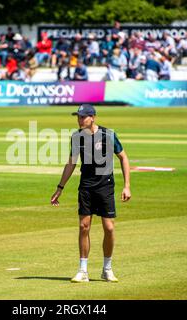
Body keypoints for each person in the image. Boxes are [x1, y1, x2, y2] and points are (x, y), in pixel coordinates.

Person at [50, 104, 131, 283]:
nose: (80, 120)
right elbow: (71, 162)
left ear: (93, 117)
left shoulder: (108, 135)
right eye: (78, 117)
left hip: (105, 186)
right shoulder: (77, 137)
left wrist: (127, 185)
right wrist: (60, 188)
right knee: (83, 227)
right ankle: (83, 270)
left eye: (83, 117)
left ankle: (107, 269)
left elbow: (123, 157)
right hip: (86, 186)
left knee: (109, 228)